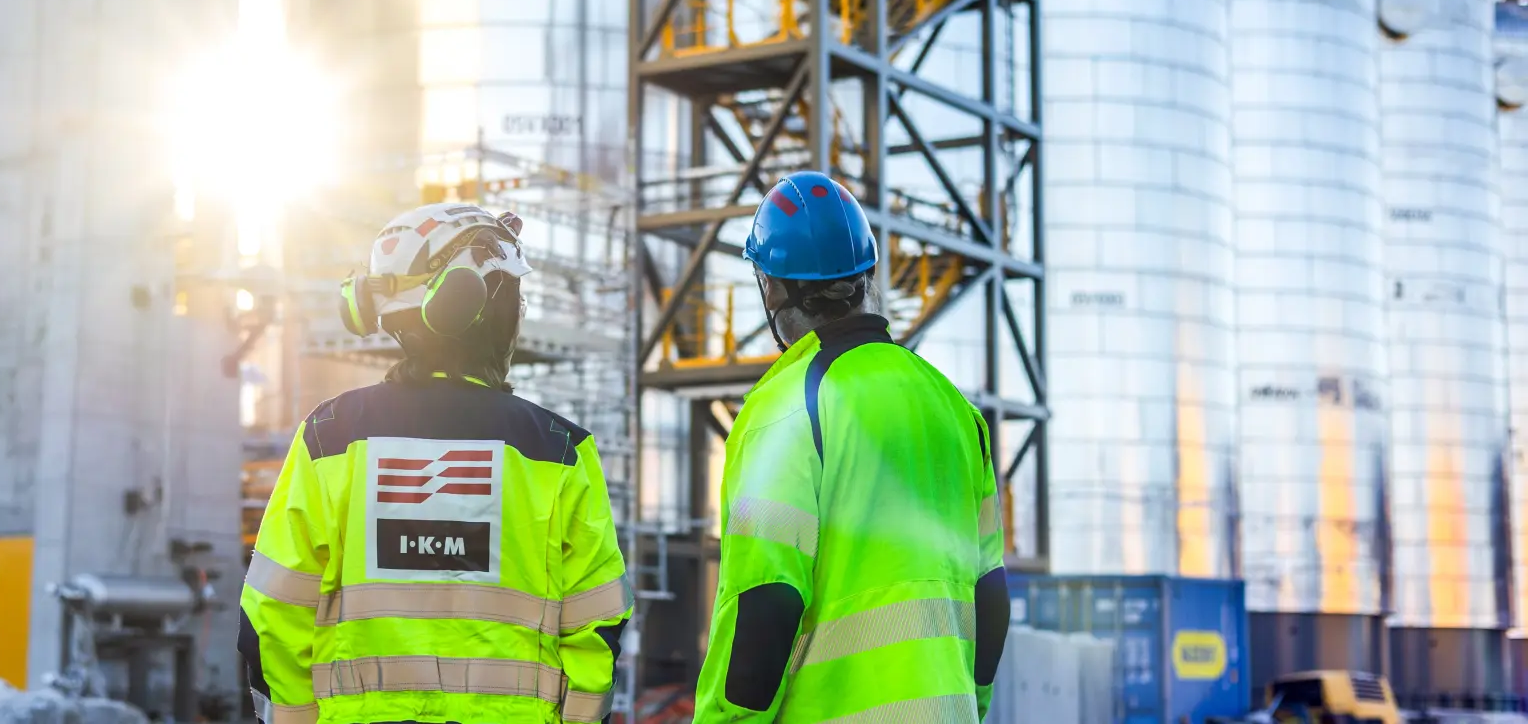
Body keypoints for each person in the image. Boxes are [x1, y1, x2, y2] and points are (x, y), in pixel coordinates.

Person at [239, 203, 633, 724]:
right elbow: (597, 629)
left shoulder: (330, 438)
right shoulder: (558, 451)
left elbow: (272, 616)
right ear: (480, 306)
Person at [693, 171, 1010, 722]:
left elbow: (766, 605)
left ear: (771, 287)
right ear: (866, 275)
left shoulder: (785, 411)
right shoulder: (954, 409)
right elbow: (991, 596)